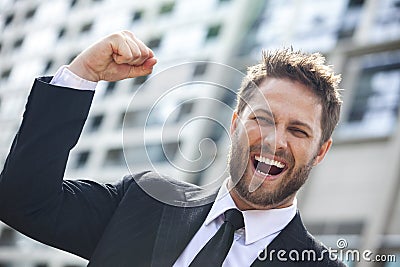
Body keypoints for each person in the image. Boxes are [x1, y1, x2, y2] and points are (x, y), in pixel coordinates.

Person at [0, 30, 345, 266]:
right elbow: (23, 202)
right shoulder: (144, 200)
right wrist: (82, 75)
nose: (275, 141)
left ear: (320, 151)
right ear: (236, 123)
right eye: (263, 119)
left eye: (298, 130)